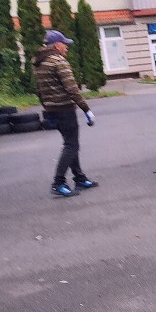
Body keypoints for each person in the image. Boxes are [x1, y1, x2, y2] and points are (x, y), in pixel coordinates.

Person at [34, 30, 98, 197]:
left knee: (70, 143)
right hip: (64, 109)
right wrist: (86, 109)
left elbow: (39, 91)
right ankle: (58, 182)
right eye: (65, 44)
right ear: (56, 45)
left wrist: (47, 106)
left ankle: (79, 178)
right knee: (71, 145)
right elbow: (72, 89)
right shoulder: (59, 61)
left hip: (51, 110)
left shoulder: (39, 63)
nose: (67, 48)